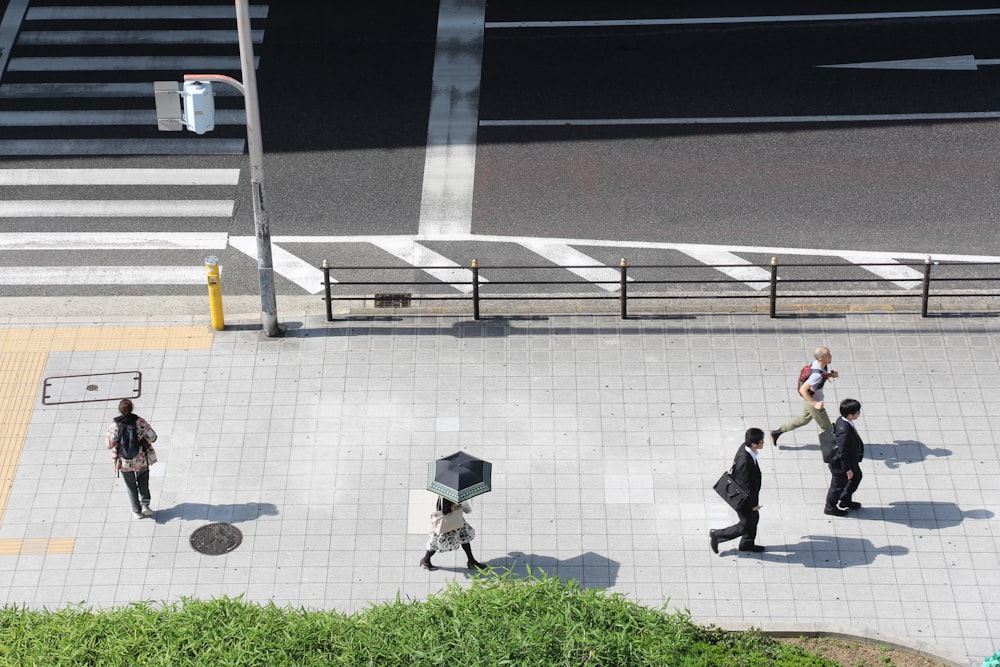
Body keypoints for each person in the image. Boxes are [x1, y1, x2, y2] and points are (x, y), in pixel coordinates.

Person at [710, 428, 766, 554]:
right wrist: (753, 505)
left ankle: (747, 543)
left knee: (753, 519)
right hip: (744, 500)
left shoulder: (746, 448)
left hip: (749, 496)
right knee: (746, 524)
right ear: (753, 444)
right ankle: (717, 535)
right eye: (761, 441)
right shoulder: (744, 462)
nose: (763, 443)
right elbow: (746, 487)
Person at [771, 346, 839, 446]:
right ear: (821, 358)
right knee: (826, 427)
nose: (831, 356)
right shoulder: (816, 375)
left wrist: (830, 375)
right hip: (813, 401)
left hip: (811, 400)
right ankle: (831, 449)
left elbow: (821, 375)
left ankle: (776, 433)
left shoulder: (819, 364)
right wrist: (815, 404)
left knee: (803, 420)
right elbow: (803, 390)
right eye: (829, 355)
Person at [106, 398, 158, 519]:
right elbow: (153, 437)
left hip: (124, 461)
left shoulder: (115, 425)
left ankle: (137, 510)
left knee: (130, 485)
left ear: (119, 410)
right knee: (143, 480)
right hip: (140, 457)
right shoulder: (140, 422)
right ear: (132, 408)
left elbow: (109, 444)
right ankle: (145, 505)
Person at [419, 496, 486, 571]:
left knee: (465, 540)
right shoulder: (446, 497)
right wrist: (454, 505)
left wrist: (461, 503)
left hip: (457, 522)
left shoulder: (455, 495)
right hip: (447, 525)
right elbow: (444, 511)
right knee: (435, 544)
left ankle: (471, 560)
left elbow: (466, 509)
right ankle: (426, 560)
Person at [825, 398, 865, 517]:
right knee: (837, 486)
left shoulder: (842, 421)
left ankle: (845, 500)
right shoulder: (844, 431)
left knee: (857, 477)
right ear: (850, 415)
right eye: (857, 412)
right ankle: (830, 507)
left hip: (850, 462)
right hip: (841, 465)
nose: (859, 414)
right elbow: (842, 453)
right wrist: (847, 470)